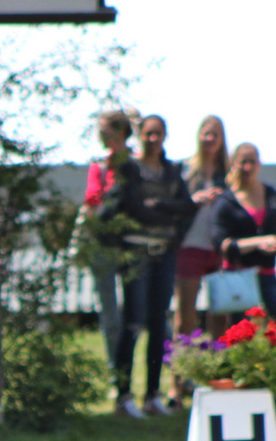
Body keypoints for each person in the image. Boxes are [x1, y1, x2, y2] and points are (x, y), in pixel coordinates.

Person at [114, 114, 195, 416]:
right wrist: (166, 212)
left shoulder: (173, 171)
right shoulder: (130, 169)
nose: (152, 139)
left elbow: (187, 206)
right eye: (147, 133)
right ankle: (123, 396)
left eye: (157, 133)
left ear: (165, 136)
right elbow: (132, 207)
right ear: (140, 136)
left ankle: (152, 395)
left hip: (165, 252)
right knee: (133, 323)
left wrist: (158, 206)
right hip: (135, 252)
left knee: (159, 324)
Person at [210, 143, 276, 348]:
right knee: (239, 338)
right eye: (242, 162)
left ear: (259, 164)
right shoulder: (225, 202)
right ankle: (241, 377)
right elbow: (221, 244)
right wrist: (257, 243)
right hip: (237, 276)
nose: (247, 167)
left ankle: (274, 369)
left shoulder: (274, 197)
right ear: (234, 165)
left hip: (267, 275)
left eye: (251, 162)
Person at [173, 115, 229, 402]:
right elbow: (175, 205)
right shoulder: (185, 170)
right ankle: (178, 381)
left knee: (220, 315)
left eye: (215, 135)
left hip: (218, 250)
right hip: (190, 246)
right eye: (206, 134)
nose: (209, 139)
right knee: (186, 316)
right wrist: (194, 199)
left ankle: (215, 374)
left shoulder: (227, 172)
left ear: (222, 140)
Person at [83, 110, 144, 363]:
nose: (100, 134)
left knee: (142, 312)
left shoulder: (137, 164)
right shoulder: (98, 164)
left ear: (120, 132)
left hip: (133, 245)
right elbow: (91, 200)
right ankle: (115, 370)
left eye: (104, 129)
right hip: (102, 245)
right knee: (109, 313)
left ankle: (165, 369)